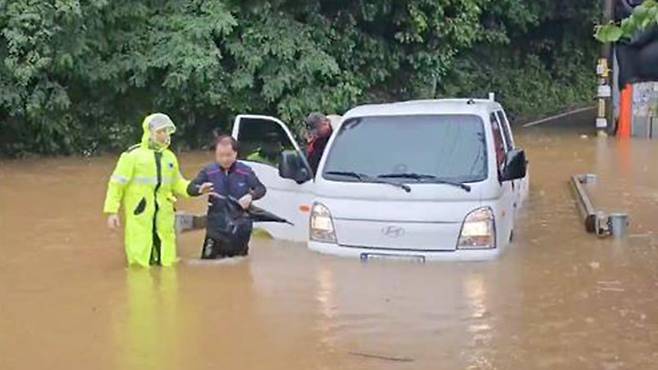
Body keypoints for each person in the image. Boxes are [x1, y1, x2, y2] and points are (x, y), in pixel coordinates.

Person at [103, 113, 213, 267]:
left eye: (166, 132)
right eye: (160, 132)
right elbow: (116, 184)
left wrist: (197, 189)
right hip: (140, 213)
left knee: (167, 258)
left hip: (164, 213)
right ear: (150, 133)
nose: (164, 136)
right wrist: (112, 212)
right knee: (139, 260)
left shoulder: (169, 157)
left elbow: (178, 183)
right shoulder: (132, 156)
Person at [187, 135, 266, 259]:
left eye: (228, 155)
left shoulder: (245, 171)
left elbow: (261, 189)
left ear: (235, 154)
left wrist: (250, 196)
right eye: (221, 155)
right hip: (215, 230)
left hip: (240, 229)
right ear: (215, 154)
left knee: (239, 268)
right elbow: (190, 189)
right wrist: (200, 189)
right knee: (207, 267)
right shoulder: (208, 171)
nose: (225, 159)